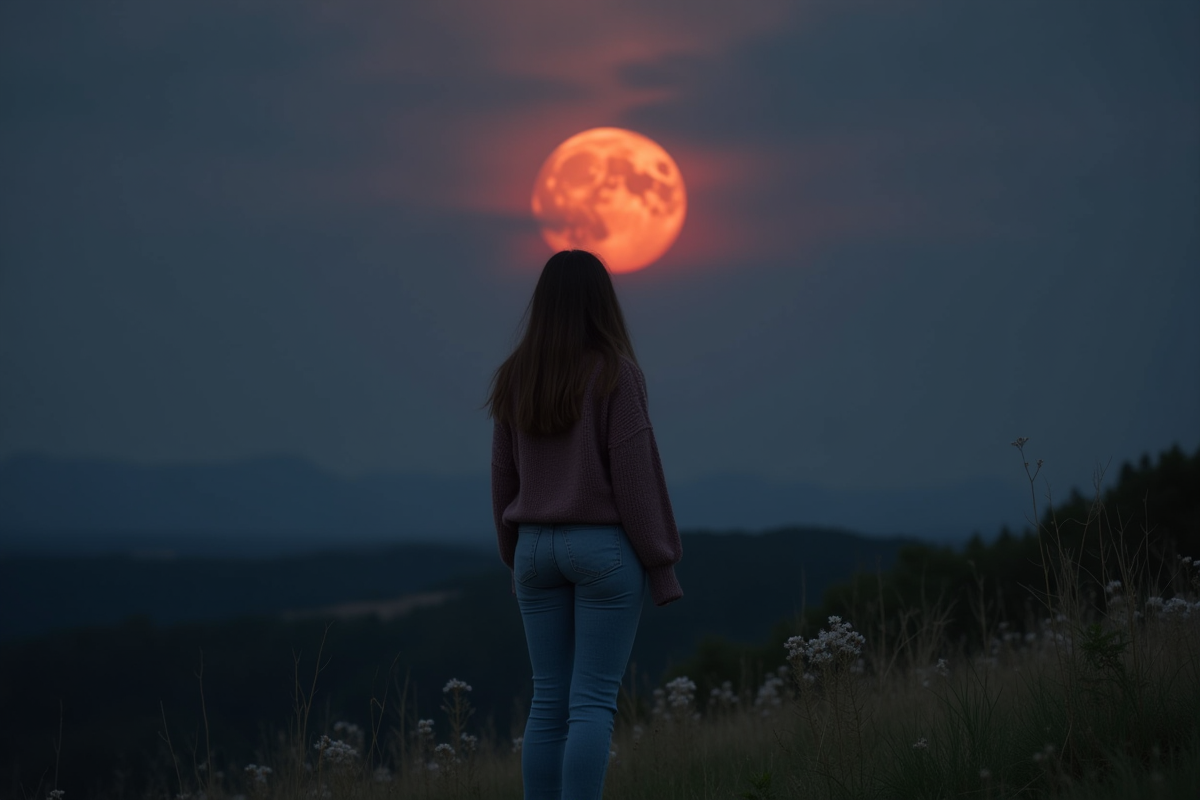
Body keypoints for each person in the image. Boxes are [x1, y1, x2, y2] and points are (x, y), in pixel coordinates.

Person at [487, 249, 683, 800]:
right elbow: (637, 484)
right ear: (602, 301)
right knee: (592, 702)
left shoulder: (514, 377)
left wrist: (516, 558)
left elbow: (503, 483)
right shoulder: (617, 374)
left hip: (533, 550)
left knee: (548, 702)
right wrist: (662, 568)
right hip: (603, 553)